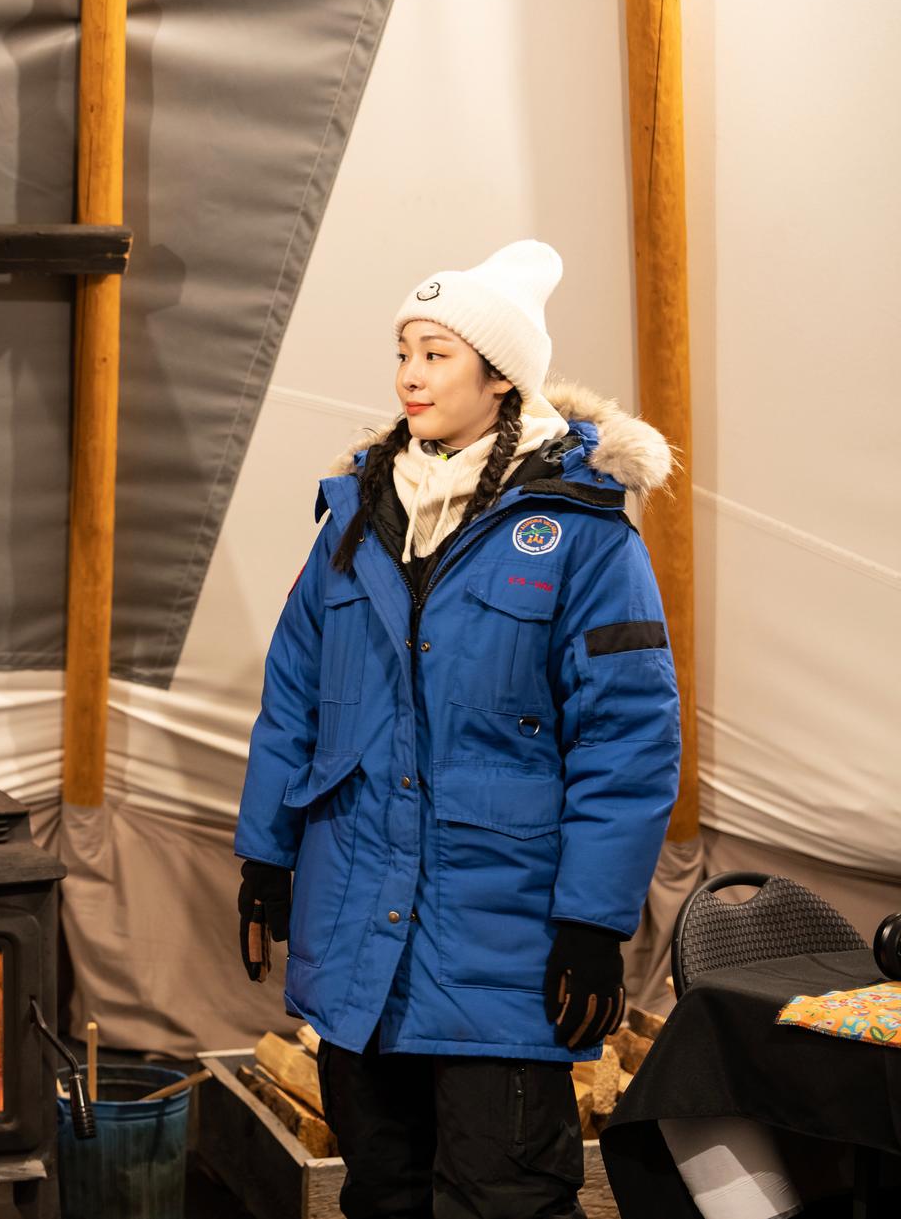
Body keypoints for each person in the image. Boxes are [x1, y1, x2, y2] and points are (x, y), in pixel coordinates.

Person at [233, 240, 681, 1218]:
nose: (410, 375)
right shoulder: (355, 518)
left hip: (503, 940)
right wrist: (265, 855)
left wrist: (593, 923)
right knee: (384, 1190)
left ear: (500, 375)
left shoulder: (580, 529)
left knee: (501, 1195)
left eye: (437, 352)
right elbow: (294, 700)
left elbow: (630, 740)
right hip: (356, 931)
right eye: (404, 350)